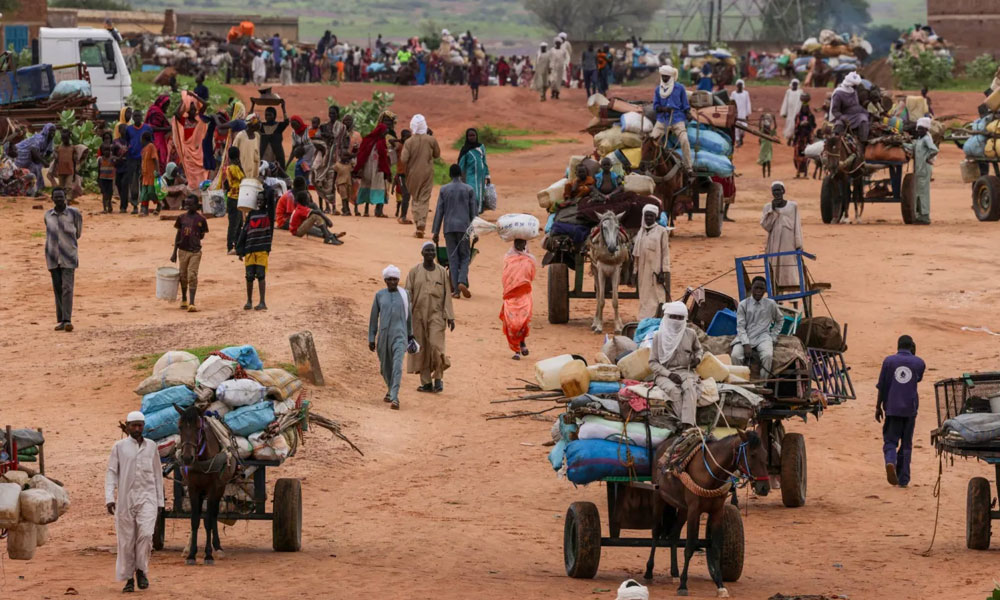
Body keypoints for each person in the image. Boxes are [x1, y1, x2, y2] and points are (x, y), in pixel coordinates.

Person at [105, 411, 164, 593]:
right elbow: (111, 473)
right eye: (134, 425)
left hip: (148, 498)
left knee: (146, 535)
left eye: (140, 425)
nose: (137, 428)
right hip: (125, 499)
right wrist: (109, 498)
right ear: (128, 426)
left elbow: (157, 474)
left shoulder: (152, 446)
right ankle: (129, 578)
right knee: (126, 541)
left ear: (143, 426)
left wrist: (160, 502)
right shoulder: (119, 447)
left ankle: (141, 570)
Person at [406, 242, 456, 393]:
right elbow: (407, 294)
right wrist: (405, 316)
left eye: (432, 251)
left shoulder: (442, 272)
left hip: (437, 315)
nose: (430, 253)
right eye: (427, 251)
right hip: (417, 315)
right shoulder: (414, 271)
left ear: (435, 253)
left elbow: (447, 295)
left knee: (436, 346)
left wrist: (450, 316)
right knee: (422, 349)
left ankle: (438, 377)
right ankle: (426, 382)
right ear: (422, 253)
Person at [875, 335, 925, 488]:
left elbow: (882, 386)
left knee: (890, 441)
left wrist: (878, 406)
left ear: (898, 346)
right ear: (912, 347)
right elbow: (917, 379)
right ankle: (903, 479)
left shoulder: (888, 361)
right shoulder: (919, 362)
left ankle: (890, 461)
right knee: (906, 444)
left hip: (892, 408)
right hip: (910, 409)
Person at [649, 301, 703, 427]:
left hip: (685, 371)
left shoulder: (690, 334)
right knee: (674, 391)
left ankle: (688, 425)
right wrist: (669, 375)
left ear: (685, 319)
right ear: (667, 317)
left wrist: (698, 359)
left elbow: (699, 350)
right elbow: (653, 363)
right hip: (664, 374)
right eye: (673, 317)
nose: (677, 320)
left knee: (690, 388)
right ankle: (683, 424)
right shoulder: (658, 336)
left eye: (680, 318)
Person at [368, 265, 414, 410]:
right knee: (385, 367)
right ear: (385, 280)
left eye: (395, 279)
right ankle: (390, 389)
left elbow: (409, 317)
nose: (393, 282)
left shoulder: (405, 295)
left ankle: (395, 397)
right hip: (383, 337)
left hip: (400, 336)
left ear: (398, 280)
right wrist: (371, 337)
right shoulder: (379, 295)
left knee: (397, 366)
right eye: (390, 280)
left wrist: (410, 335)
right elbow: (373, 318)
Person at [431, 164, 477, 298]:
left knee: (453, 258)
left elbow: (439, 211)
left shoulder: (444, 189)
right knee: (465, 256)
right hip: (464, 228)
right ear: (461, 174)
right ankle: (462, 281)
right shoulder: (469, 189)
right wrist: (475, 232)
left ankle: (456, 291)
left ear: (450, 175)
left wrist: (435, 232)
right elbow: (473, 213)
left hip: (449, 228)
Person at [730, 276, 783, 378]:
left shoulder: (770, 304)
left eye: (761, 288)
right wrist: (746, 344)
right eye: (756, 288)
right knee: (735, 356)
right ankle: (740, 382)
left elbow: (780, 320)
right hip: (745, 336)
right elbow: (740, 327)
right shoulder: (743, 304)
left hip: (763, 337)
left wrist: (773, 336)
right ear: (752, 288)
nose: (758, 291)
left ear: (765, 290)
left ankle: (762, 383)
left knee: (768, 356)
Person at [45, 188, 82, 332]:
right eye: (56, 197)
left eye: (61, 197)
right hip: (53, 256)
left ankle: (67, 320)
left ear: (65, 197)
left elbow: (78, 233)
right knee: (58, 288)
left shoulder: (74, 213)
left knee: (67, 288)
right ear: (52, 198)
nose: (59, 199)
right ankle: (61, 319)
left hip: (69, 256)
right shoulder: (48, 215)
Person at [236, 186, 277, 310]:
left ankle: (262, 302)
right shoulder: (251, 214)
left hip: (262, 249)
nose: (259, 202)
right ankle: (249, 301)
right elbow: (244, 231)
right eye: (258, 200)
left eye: (262, 200)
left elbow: (271, 196)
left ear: (266, 201)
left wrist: (262, 184)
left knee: (260, 275)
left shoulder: (268, 214)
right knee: (249, 275)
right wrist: (240, 249)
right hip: (249, 248)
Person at [399, 114, 440, 235]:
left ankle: (418, 223)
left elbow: (404, 159)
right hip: (427, 172)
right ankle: (421, 222)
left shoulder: (409, 142)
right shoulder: (431, 140)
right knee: (424, 198)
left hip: (412, 174)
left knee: (415, 198)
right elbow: (437, 154)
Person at [760, 182, 803, 289]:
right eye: (774, 191)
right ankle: (776, 294)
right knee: (774, 268)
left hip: (789, 243)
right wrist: (773, 210)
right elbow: (766, 226)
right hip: (773, 243)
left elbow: (797, 226)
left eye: (779, 190)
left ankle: (793, 294)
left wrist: (799, 244)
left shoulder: (793, 206)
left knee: (789, 268)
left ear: (783, 191)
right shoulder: (768, 207)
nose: (777, 193)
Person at [651, 65, 693, 174]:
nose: (664, 78)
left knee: (684, 140)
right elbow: (655, 106)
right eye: (663, 76)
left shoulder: (680, 88)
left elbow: (685, 105)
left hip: (677, 119)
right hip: (662, 120)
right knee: (652, 140)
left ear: (671, 76)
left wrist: (688, 113)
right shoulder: (658, 90)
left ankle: (689, 167)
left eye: (667, 77)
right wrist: (664, 109)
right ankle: (650, 165)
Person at [170, 194, 208, 312]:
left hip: (195, 251)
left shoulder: (201, 220)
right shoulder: (181, 218)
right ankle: (184, 298)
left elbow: (202, 235)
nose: (188, 206)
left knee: (192, 275)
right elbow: (178, 235)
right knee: (183, 275)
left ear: (196, 205)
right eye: (186, 204)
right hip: (182, 250)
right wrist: (174, 252)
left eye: (190, 204)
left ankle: (192, 302)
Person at [632, 204, 671, 320]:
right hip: (643, 271)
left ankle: (656, 318)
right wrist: (635, 271)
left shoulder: (662, 231)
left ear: (655, 217)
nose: (648, 218)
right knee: (644, 296)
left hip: (656, 271)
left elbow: (665, 253)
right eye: (647, 216)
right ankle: (644, 319)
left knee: (657, 296)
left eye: (651, 216)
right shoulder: (641, 232)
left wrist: (663, 271)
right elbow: (636, 255)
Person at [500, 238, 536, 360]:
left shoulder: (529, 260)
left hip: (524, 295)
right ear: (514, 244)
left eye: (522, 243)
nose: (520, 245)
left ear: (525, 244)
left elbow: (531, 276)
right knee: (512, 324)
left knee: (523, 322)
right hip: (511, 296)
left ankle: (522, 343)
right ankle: (516, 350)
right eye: (518, 243)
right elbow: (505, 276)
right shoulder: (508, 259)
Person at [354, 119, 393, 218]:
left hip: (368, 169)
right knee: (380, 187)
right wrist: (387, 172)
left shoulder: (368, 140)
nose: (385, 134)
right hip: (378, 169)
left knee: (367, 186)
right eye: (384, 132)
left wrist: (358, 168)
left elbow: (361, 155)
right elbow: (383, 159)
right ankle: (378, 211)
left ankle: (367, 210)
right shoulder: (380, 142)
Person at [172, 91, 209, 189]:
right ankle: (193, 190)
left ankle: (201, 190)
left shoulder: (199, 119)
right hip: (188, 152)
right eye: (191, 109)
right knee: (191, 174)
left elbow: (205, 104)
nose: (193, 111)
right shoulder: (184, 121)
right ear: (187, 110)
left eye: (194, 109)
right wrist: (183, 100)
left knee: (201, 171)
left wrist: (193, 96)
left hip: (199, 152)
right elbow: (176, 113)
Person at [905, 117, 938, 225]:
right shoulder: (919, 139)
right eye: (918, 128)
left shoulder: (926, 139)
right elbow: (911, 146)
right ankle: (919, 215)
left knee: (923, 193)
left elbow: (934, 150)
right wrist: (901, 144)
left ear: (926, 129)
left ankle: (925, 216)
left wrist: (927, 158)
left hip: (924, 169)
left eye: (921, 129)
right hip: (919, 169)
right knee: (918, 193)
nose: (919, 130)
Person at [122, 111, 152, 213]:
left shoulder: (147, 128)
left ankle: (144, 205)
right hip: (132, 159)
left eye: (139, 116)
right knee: (134, 183)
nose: (137, 118)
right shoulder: (129, 129)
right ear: (133, 117)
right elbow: (127, 142)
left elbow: (151, 142)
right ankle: (135, 205)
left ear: (142, 117)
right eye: (135, 116)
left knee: (144, 183)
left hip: (145, 159)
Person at [14, 123, 55, 196]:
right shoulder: (39, 138)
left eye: (54, 131)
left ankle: (35, 190)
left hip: (32, 157)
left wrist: (47, 161)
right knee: (30, 170)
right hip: (22, 154)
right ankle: (27, 190)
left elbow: (49, 152)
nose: (52, 133)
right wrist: (43, 161)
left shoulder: (50, 140)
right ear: (46, 131)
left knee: (37, 168)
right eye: (51, 131)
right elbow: (33, 150)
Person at [829, 71, 869, 144]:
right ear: (849, 84)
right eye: (854, 86)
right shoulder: (838, 94)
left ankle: (863, 143)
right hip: (844, 116)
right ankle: (836, 144)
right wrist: (842, 117)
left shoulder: (854, 91)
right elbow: (835, 111)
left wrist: (864, 111)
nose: (856, 87)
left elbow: (856, 105)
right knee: (839, 125)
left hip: (857, 115)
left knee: (863, 120)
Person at [457, 128, 490, 214]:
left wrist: (487, 176)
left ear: (476, 136)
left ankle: (478, 213)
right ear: (467, 137)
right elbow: (461, 164)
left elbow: (484, 161)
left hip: (481, 177)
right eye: (469, 136)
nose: (471, 137)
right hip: (470, 177)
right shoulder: (465, 150)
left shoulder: (481, 147)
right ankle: (472, 213)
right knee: (474, 195)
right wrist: (458, 177)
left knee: (481, 195)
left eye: (473, 135)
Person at [224, 146, 245, 254]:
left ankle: (236, 245)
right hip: (235, 198)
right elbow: (243, 178)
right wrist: (240, 165)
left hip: (234, 197)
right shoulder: (234, 168)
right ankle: (231, 246)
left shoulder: (229, 167)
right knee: (234, 224)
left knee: (238, 222)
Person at [145, 95, 172, 169]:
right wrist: (166, 129)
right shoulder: (156, 112)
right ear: (161, 104)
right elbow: (152, 127)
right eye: (166, 105)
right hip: (157, 140)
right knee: (159, 159)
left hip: (154, 139)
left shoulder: (154, 110)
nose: (167, 108)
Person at [792, 93, 816, 179]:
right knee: (797, 155)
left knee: (807, 154)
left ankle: (805, 173)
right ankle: (798, 172)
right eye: (803, 108)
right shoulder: (798, 116)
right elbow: (796, 126)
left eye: (806, 108)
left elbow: (813, 125)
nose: (805, 109)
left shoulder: (811, 116)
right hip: (799, 137)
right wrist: (800, 124)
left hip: (807, 137)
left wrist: (808, 124)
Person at [259, 104, 290, 169]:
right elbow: (250, 121)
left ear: (274, 115)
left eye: (270, 115)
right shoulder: (261, 126)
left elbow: (286, 122)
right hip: (264, 154)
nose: (267, 117)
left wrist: (283, 108)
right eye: (266, 115)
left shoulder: (279, 126)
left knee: (277, 169)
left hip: (277, 155)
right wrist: (253, 105)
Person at [139, 131, 161, 216]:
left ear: (144, 139)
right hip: (145, 175)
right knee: (144, 193)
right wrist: (141, 173)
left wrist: (157, 171)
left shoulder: (151, 146)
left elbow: (155, 159)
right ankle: (144, 210)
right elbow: (143, 162)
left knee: (151, 192)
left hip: (151, 174)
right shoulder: (143, 149)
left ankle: (159, 204)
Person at [233, 114, 261, 179]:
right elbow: (233, 153)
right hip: (242, 170)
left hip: (253, 170)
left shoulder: (257, 136)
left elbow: (257, 152)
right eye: (257, 123)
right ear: (250, 125)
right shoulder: (240, 136)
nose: (259, 125)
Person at [779, 79, 804, 144]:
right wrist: (784, 112)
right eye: (793, 84)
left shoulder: (800, 92)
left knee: (796, 125)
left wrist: (799, 112)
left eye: (796, 84)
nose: (794, 85)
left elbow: (801, 103)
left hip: (797, 112)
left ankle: (794, 139)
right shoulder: (788, 92)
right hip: (789, 112)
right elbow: (785, 102)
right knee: (789, 124)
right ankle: (789, 138)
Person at [732, 79, 751, 147]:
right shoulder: (733, 94)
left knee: (743, 127)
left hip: (743, 113)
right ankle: (738, 141)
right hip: (736, 114)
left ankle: (741, 137)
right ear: (737, 86)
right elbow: (731, 103)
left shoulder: (746, 93)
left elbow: (748, 103)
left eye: (741, 85)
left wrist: (747, 113)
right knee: (736, 128)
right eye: (738, 85)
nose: (740, 86)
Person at [98, 142, 116, 213]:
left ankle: (109, 204)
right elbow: (98, 169)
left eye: (108, 150)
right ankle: (105, 208)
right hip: (102, 179)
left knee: (110, 193)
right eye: (105, 150)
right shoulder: (100, 159)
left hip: (110, 179)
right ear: (102, 151)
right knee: (104, 193)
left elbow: (116, 163)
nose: (106, 152)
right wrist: (98, 179)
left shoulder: (112, 158)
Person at [758, 114, 774, 178]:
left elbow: (775, 127)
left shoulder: (770, 133)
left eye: (768, 128)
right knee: (764, 163)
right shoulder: (762, 132)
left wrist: (774, 119)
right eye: (766, 128)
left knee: (768, 161)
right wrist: (760, 119)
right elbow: (759, 126)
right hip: (763, 149)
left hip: (769, 149)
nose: (767, 129)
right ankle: (764, 175)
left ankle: (769, 174)